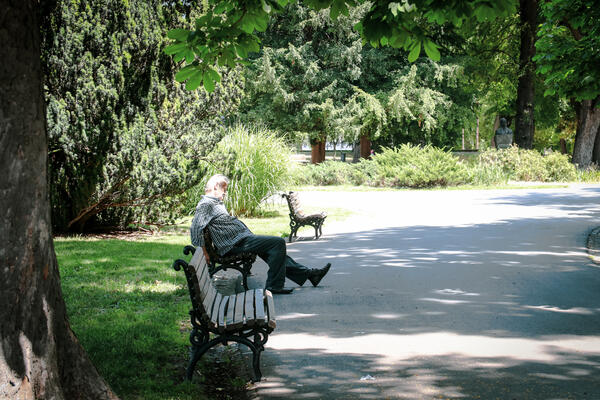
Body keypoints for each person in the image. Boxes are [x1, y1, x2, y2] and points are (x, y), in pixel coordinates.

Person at [190, 174, 331, 294]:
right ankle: (274, 286)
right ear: (216, 187)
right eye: (224, 189)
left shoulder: (214, 203)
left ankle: (311, 275)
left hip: (240, 240)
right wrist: (204, 252)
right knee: (277, 243)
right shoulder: (206, 204)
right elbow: (195, 228)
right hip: (234, 245)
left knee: (274, 251)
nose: (225, 193)